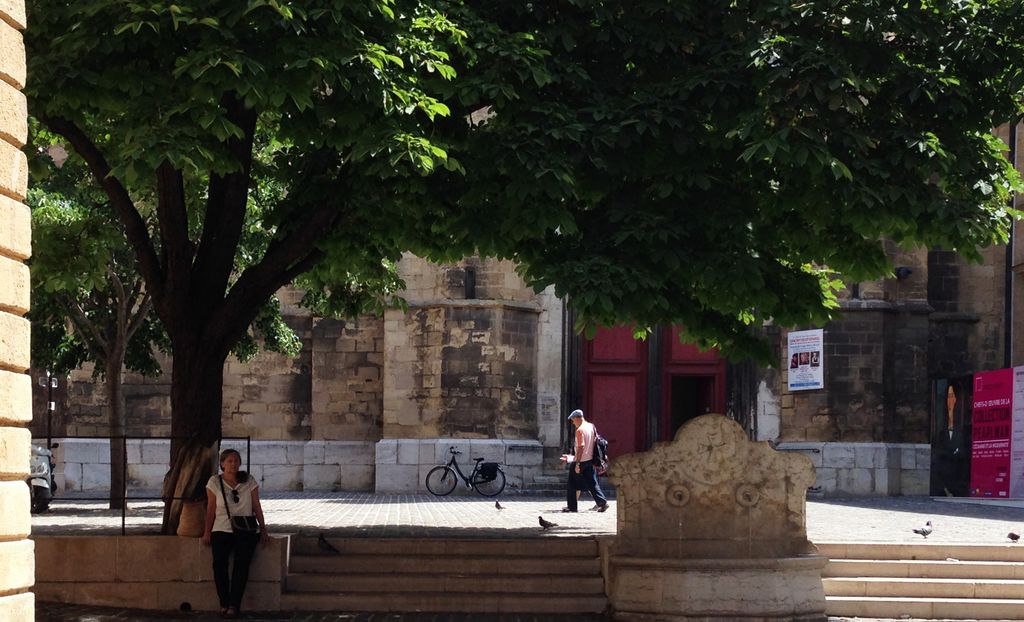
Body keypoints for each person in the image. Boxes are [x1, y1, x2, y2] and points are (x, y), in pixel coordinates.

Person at [202, 449, 270, 618]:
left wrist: (263, 528)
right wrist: (207, 532)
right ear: (222, 464)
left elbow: (256, 505)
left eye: (236, 461)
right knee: (219, 566)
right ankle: (224, 602)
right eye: (229, 461)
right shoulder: (214, 482)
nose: (233, 464)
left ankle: (234, 604)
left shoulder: (249, 480)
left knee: (241, 567)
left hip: (245, 530)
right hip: (221, 529)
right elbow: (210, 509)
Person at [560, 409, 609, 513]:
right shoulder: (591, 426)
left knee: (572, 484)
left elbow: (581, 446)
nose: (573, 423)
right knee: (592, 483)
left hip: (581, 460)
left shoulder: (580, 430)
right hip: (590, 460)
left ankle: (572, 507)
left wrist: (577, 463)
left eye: (573, 420)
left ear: (578, 418)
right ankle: (602, 502)